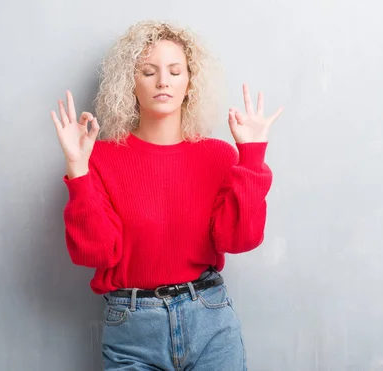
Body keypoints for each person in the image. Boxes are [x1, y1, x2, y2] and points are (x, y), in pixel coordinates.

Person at [50, 20, 283, 371]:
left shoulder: (218, 156)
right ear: (130, 82)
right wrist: (78, 169)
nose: (163, 81)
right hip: (132, 330)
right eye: (148, 71)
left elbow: (240, 239)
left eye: (175, 71)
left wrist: (251, 156)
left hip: (210, 322)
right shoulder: (100, 157)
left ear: (189, 82)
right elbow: (93, 252)